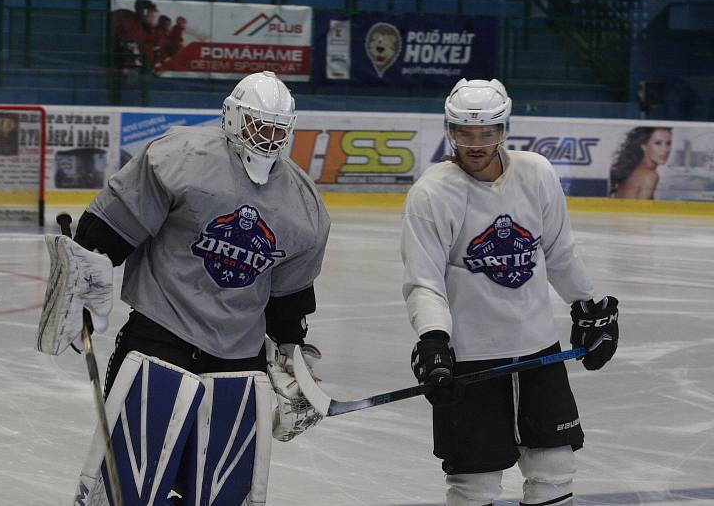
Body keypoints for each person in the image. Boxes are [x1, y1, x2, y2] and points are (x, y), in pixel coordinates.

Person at [37, 71, 330, 505]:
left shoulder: (303, 205)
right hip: (159, 340)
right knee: (128, 491)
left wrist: (292, 353)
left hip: (238, 359)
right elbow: (115, 224)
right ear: (231, 118)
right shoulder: (181, 156)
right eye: (258, 124)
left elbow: (289, 299)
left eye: (277, 129)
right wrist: (85, 271)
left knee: (219, 495)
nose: (267, 137)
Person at [401, 78, 620, 506]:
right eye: (466, 132)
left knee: (554, 471)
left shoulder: (536, 173)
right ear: (450, 130)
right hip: (472, 357)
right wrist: (432, 338)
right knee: (475, 484)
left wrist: (587, 307)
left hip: (539, 351)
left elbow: (560, 252)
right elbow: (424, 279)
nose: (477, 143)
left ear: (504, 129)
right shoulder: (431, 193)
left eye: (488, 132)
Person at [609, 126, 673, 199]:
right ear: (644, 146)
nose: (665, 150)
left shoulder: (634, 170)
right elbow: (641, 210)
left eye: (668, 143)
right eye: (658, 143)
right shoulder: (650, 176)